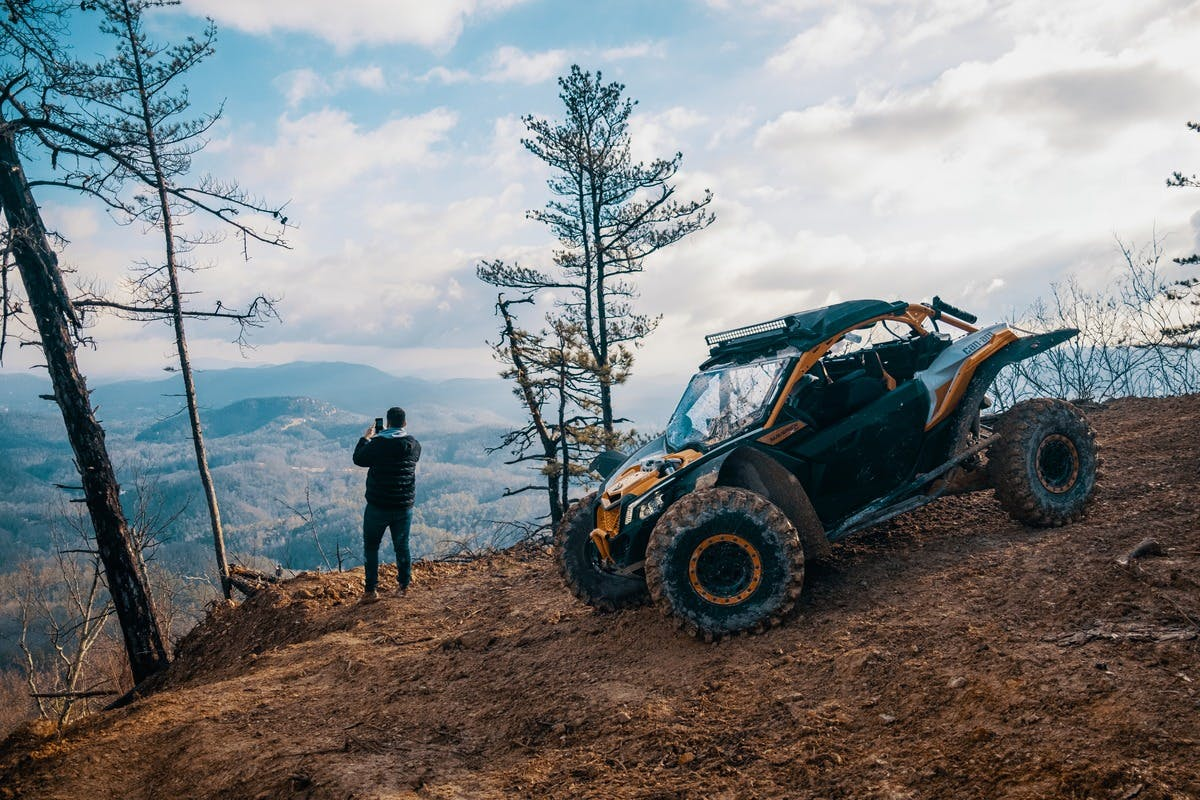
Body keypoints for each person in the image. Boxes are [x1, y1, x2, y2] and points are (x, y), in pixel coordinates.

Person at [352, 406, 421, 603]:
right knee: (402, 546)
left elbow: (358, 459)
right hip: (403, 506)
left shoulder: (377, 444)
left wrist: (366, 438)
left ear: (387, 423)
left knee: (371, 546)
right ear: (405, 423)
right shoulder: (414, 445)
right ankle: (403, 587)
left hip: (378, 506)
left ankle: (371, 591)